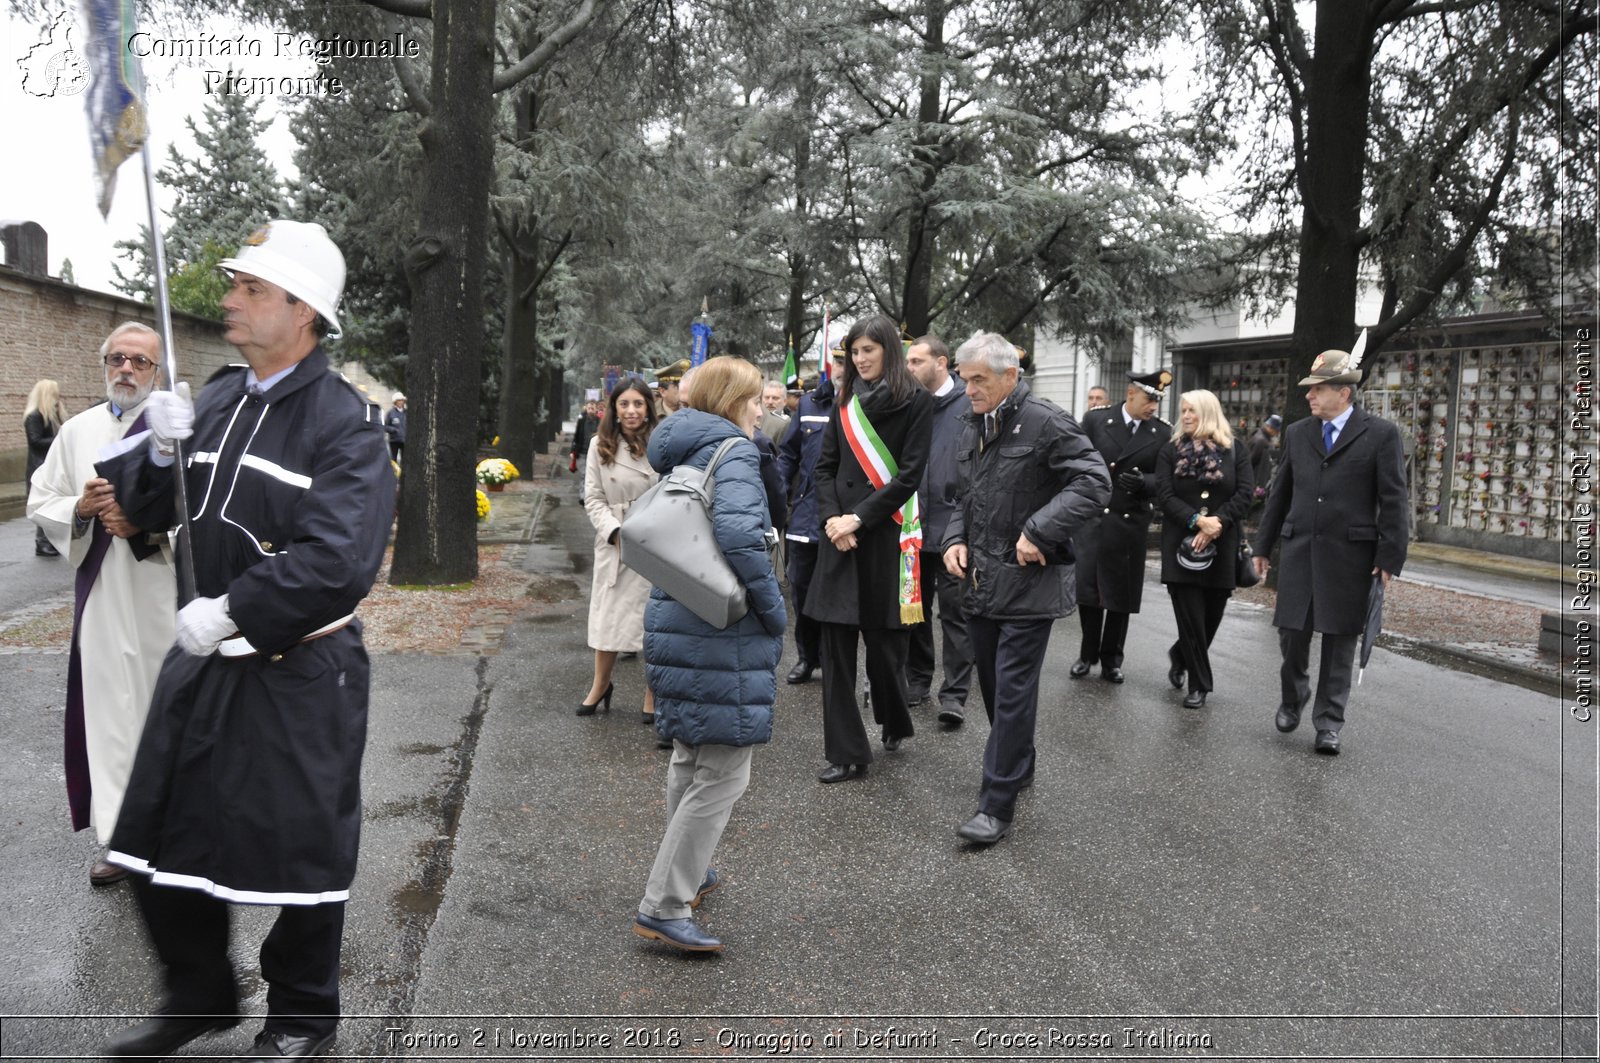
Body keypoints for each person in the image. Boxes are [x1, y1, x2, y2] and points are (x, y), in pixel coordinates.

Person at [100, 220, 394, 1061]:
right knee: (158, 829)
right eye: (235, 283)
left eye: (251, 288)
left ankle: (303, 1013)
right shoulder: (220, 396)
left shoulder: (346, 426)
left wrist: (235, 608)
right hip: (201, 663)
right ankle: (197, 990)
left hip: (298, 667)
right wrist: (154, 449)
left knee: (301, 850)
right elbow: (149, 509)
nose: (229, 298)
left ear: (302, 310)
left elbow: (339, 559)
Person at [633, 356, 786, 953]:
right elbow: (743, 538)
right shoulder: (737, 451)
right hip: (721, 626)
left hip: (679, 614)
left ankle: (690, 873)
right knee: (723, 771)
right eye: (751, 398)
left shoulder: (683, 447)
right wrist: (774, 610)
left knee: (692, 755)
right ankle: (666, 903)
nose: (760, 407)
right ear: (730, 401)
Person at [941, 332, 1109, 845]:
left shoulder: (1046, 421)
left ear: (1010, 375)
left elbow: (1094, 482)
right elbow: (960, 496)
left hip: (1030, 586)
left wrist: (1039, 529)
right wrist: (953, 538)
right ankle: (1019, 760)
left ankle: (996, 805)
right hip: (982, 582)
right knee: (994, 687)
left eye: (978, 380)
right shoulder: (971, 424)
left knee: (1012, 690)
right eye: (964, 379)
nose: (968, 389)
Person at [26, 328, 176, 886]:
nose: (127, 369)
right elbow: (43, 499)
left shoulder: (176, 431)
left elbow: (209, 514)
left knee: (167, 712)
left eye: (141, 361)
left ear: (156, 373)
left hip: (165, 593)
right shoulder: (76, 431)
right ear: (104, 365)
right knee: (111, 713)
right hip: (105, 595)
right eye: (118, 358)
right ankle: (121, 840)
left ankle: (173, 833)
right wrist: (81, 510)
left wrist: (151, 525)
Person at [1252, 341, 1408, 756]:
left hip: (1351, 558)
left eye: (1317, 389)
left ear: (1344, 393)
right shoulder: (1298, 433)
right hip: (1300, 550)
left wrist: (1390, 557)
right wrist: (1262, 545)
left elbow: (1394, 499)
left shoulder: (1380, 435)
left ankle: (1328, 724)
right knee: (1291, 635)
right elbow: (1279, 494)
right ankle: (1294, 696)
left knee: (1340, 643)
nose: (1308, 396)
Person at [805, 315, 933, 783]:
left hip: (883, 535)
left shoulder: (916, 402)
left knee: (884, 650)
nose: (859, 360)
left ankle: (895, 719)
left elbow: (910, 475)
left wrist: (858, 517)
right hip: (840, 540)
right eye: (853, 353)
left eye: (867, 351)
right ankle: (847, 753)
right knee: (836, 650)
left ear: (889, 352)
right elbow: (824, 469)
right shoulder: (845, 398)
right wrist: (833, 521)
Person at [1154, 390, 1254, 709]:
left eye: (1192, 411)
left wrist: (1217, 524)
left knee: (1211, 618)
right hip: (1180, 548)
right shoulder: (1170, 451)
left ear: (1208, 412)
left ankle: (1181, 654)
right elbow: (1165, 496)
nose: (1185, 416)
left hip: (1222, 547)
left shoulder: (1235, 449)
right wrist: (1197, 521)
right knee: (1192, 619)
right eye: (1183, 410)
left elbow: (1245, 493)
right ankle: (1200, 685)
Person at [1070, 369, 1172, 683]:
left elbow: (1167, 479)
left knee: (1120, 595)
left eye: (1157, 400)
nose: (1154, 406)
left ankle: (1112, 659)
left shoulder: (1161, 432)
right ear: (1131, 394)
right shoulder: (1097, 421)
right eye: (1149, 398)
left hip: (1129, 521)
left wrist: (1146, 482)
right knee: (1089, 592)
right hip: (1096, 518)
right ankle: (1087, 655)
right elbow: (1076, 460)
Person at [579, 380, 660, 727]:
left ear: (648, 407)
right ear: (613, 408)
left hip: (655, 539)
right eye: (624, 404)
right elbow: (593, 497)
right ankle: (600, 685)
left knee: (653, 621)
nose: (631, 411)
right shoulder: (600, 444)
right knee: (608, 617)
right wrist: (613, 531)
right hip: (615, 539)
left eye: (638, 404)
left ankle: (652, 692)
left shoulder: (661, 442)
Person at [902, 334, 973, 728]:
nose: (909, 368)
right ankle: (917, 680)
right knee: (914, 610)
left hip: (953, 529)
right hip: (913, 525)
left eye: (916, 361)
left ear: (941, 362)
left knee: (956, 614)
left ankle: (955, 694)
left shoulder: (968, 404)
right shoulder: (911, 403)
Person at [776, 359, 842, 684]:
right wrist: (777, 492)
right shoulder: (809, 402)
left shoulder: (867, 404)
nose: (844, 367)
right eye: (839, 361)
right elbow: (788, 453)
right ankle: (807, 657)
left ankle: (833, 660)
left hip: (844, 519)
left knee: (835, 595)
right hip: (805, 515)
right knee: (801, 590)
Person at [24, 378, 68, 557]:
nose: (59, 397)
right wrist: (59, 439)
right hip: (39, 466)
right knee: (43, 505)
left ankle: (49, 542)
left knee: (53, 503)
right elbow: (35, 441)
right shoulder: (34, 416)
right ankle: (41, 544)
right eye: (55, 393)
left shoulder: (51, 415)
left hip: (48, 464)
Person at [1247, 413, 1282, 504]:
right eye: (1277, 430)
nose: (1278, 433)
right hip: (1256, 479)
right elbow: (1251, 462)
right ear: (1270, 427)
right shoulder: (1261, 441)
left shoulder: (1261, 436)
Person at [384, 392, 406, 464]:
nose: (401, 402)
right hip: (394, 441)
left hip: (405, 441)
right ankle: (393, 474)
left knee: (405, 460)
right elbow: (385, 427)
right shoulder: (390, 413)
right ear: (395, 402)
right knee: (393, 460)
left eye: (402, 400)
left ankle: (403, 475)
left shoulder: (407, 412)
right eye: (399, 400)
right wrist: (394, 430)